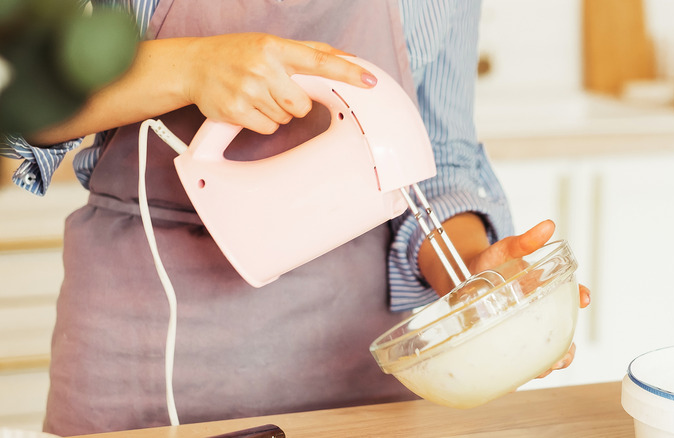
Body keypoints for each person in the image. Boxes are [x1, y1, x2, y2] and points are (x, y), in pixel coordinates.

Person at [1, 0, 590, 435]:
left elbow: (438, 163)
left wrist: (470, 276)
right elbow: (22, 110)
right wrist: (185, 69)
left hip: (354, 370)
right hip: (142, 357)